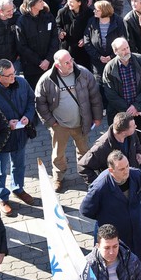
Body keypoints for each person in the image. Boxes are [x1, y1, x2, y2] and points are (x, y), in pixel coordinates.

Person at [35, 48, 104, 192]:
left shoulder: (84, 74)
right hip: (59, 125)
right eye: (66, 62)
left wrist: (97, 117)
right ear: (57, 65)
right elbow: (40, 103)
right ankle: (58, 178)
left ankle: (87, 175)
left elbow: (95, 97)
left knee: (84, 151)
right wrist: (51, 122)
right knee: (58, 154)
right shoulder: (46, 80)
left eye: (71, 60)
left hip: (81, 123)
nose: (70, 64)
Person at [0, 58, 37, 215]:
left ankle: (18, 188)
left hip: (20, 134)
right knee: (0, 170)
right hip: (1, 140)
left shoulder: (22, 83)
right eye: (9, 75)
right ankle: (2, 197)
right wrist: (6, 125)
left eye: (14, 73)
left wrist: (27, 116)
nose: (14, 77)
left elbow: (31, 101)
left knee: (19, 164)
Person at [80, 151, 141, 272]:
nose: (126, 170)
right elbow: (85, 210)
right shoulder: (100, 186)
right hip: (116, 236)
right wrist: (106, 216)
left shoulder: (136, 175)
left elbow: (137, 198)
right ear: (111, 171)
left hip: (136, 231)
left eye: (127, 166)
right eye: (121, 169)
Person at [78, 112, 141, 185]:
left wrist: (138, 152)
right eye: (133, 125)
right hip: (115, 186)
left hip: (131, 179)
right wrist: (99, 184)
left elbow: (136, 142)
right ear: (123, 132)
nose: (136, 126)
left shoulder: (132, 133)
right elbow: (82, 166)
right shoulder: (101, 147)